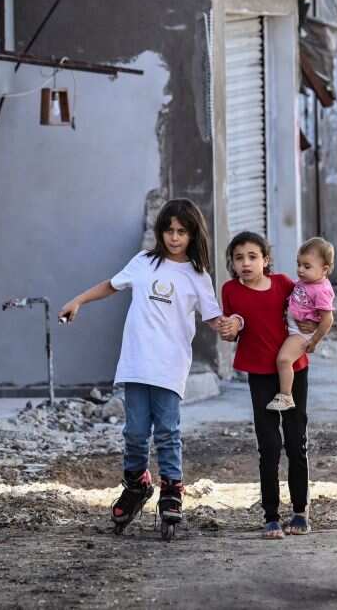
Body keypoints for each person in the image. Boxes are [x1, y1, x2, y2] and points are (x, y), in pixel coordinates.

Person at [58, 199, 234, 536]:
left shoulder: (197, 275)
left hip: (169, 366)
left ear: (193, 234)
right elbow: (111, 285)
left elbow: (213, 317)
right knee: (135, 432)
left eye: (182, 231)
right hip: (136, 363)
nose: (174, 237)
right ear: (160, 232)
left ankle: (171, 489)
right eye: (169, 230)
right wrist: (78, 300)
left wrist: (229, 325)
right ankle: (137, 483)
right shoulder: (143, 262)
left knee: (167, 431)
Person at [220, 232, 316, 538]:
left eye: (252, 256)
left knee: (295, 441)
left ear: (266, 260)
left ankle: (300, 512)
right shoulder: (231, 290)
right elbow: (232, 330)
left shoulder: (285, 284)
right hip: (259, 374)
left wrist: (314, 327)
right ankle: (271, 516)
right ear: (232, 264)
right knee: (269, 446)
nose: (246, 263)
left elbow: (310, 306)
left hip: (294, 371)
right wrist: (231, 327)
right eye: (239, 258)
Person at [267, 237, 336, 412]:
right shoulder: (307, 282)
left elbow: (328, 319)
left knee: (283, 360)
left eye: (306, 266)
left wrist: (314, 341)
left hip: (301, 333)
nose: (300, 270)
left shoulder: (321, 290)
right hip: (293, 327)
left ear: (324, 269)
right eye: (298, 264)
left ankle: (286, 396)